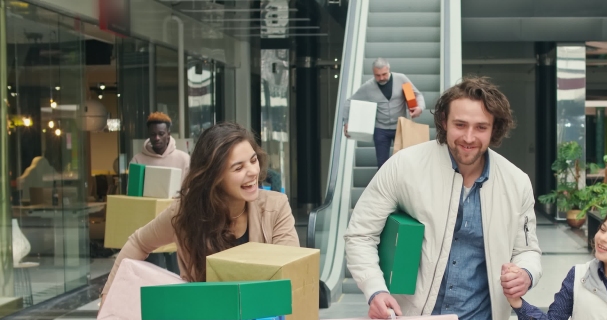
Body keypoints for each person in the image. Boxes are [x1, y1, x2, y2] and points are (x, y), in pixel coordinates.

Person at [344, 76, 542, 320]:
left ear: (495, 129)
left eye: (481, 127)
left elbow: (529, 248)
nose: (468, 137)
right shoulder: (405, 167)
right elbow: (359, 234)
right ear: (443, 123)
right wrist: (375, 289)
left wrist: (526, 272)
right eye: (460, 125)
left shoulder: (515, 183)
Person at [100, 122, 299, 304]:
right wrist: (109, 296)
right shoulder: (186, 212)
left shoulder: (276, 206)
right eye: (238, 167)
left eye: (253, 160)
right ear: (214, 176)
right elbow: (138, 242)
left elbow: (291, 273)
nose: (252, 171)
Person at [341, 57, 425, 169]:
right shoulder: (368, 86)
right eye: (377, 75)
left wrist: (420, 108)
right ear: (373, 73)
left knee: (403, 162)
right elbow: (348, 102)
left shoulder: (401, 79)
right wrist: (346, 122)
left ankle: (400, 186)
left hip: (400, 126)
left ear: (389, 70)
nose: (381, 78)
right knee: (382, 164)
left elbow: (417, 95)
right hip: (380, 129)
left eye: (384, 74)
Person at [130, 112, 191, 182]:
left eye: (161, 134)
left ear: (168, 134)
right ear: (149, 135)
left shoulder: (184, 159)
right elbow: (132, 190)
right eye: (153, 134)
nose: (157, 138)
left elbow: (189, 190)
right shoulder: (137, 160)